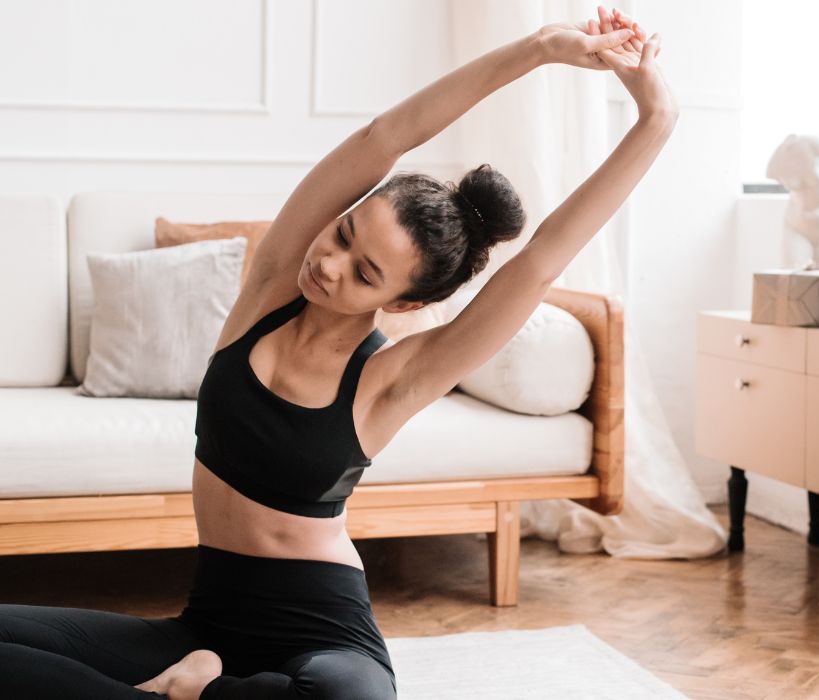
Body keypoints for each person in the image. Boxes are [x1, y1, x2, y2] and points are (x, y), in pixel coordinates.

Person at [0, 5, 675, 700]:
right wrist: (539, 48)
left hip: (320, 635)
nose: (330, 264)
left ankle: (194, 692)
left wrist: (656, 120)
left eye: (366, 274)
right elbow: (385, 136)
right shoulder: (267, 290)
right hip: (204, 625)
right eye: (345, 234)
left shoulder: (392, 381)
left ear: (405, 303)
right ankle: (192, 688)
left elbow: (538, 263)